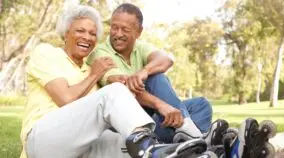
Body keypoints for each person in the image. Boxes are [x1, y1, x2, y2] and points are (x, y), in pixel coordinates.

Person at [19, 5, 209, 158]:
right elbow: (65, 99)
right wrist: (95, 75)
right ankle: (178, 140)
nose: (87, 37)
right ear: (66, 32)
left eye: (93, 33)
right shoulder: (47, 53)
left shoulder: (90, 66)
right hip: (44, 142)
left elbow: (161, 63)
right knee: (116, 91)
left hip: (83, 146)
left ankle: (203, 150)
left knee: (133, 146)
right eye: (80, 31)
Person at [86, 3, 219, 144]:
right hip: (123, 126)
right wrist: (161, 105)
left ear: (138, 32)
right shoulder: (100, 53)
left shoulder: (140, 47)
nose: (118, 34)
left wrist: (144, 71)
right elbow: (122, 89)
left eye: (125, 29)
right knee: (156, 78)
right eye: (114, 27)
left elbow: (165, 60)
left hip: (149, 122)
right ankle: (194, 136)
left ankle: (185, 139)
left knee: (201, 105)